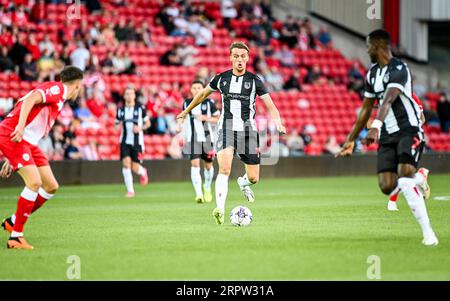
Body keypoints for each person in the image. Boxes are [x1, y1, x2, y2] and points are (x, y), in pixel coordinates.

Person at [336, 29, 438, 246]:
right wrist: (351, 139)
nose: (367, 50)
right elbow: (365, 109)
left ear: (379, 46)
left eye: (368, 46)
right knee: (387, 186)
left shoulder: (399, 68)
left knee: (403, 177)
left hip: (408, 129)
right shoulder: (372, 74)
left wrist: (375, 126)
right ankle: (420, 178)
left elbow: (389, 99)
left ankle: (428, 233)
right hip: (388, 134)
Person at [176, 41, 286, 225]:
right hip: (226, 128)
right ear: (231, 58)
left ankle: (243, 184)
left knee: (253, 178)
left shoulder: (254, 81)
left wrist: (279, 123)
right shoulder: (221, 79)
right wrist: (186, 112)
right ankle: (219, 208)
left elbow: (271, 106)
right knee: (224, 169)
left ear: (248, 58)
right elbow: (202, 95)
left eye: (243, 56)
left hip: (248, 132)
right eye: (236, 56)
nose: (239, 60)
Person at [0, 66, 84, 250]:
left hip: (26, 142)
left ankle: (13, 221)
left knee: (51, 186)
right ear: (77, 85)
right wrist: (20, 127)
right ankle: (16, 237)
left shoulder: (60, 98)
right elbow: (31, 98)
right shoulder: (59, 89)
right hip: (14, 135)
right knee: (34, 183)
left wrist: (10, 156)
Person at [178, 80, 220, 204]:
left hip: (208, 139)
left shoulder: (209, 103)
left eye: (199, 88)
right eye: (194, 88)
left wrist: (205, 118)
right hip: (193, 139)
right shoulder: (187, 103)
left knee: (208, 166)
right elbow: (182, 116)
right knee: (195, 164)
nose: (196, 90)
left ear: (203, 89)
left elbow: (218, 118)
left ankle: (207, 187)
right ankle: (198, 194)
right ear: (191, 90)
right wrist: (179, 125)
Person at [115, 87, 151, 198]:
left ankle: (143, 171)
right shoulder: (120, 110)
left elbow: (148, 123)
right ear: (124, 96)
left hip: (137, 142)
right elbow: (116, 124)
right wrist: (117, 126)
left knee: (135, 166)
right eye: (127, 94)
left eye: (131, 94)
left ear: (134, 96)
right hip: (124, 141)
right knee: (126, 163)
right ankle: (130, 191)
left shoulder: (140, 108)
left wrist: (140, 128)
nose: (129, 96)